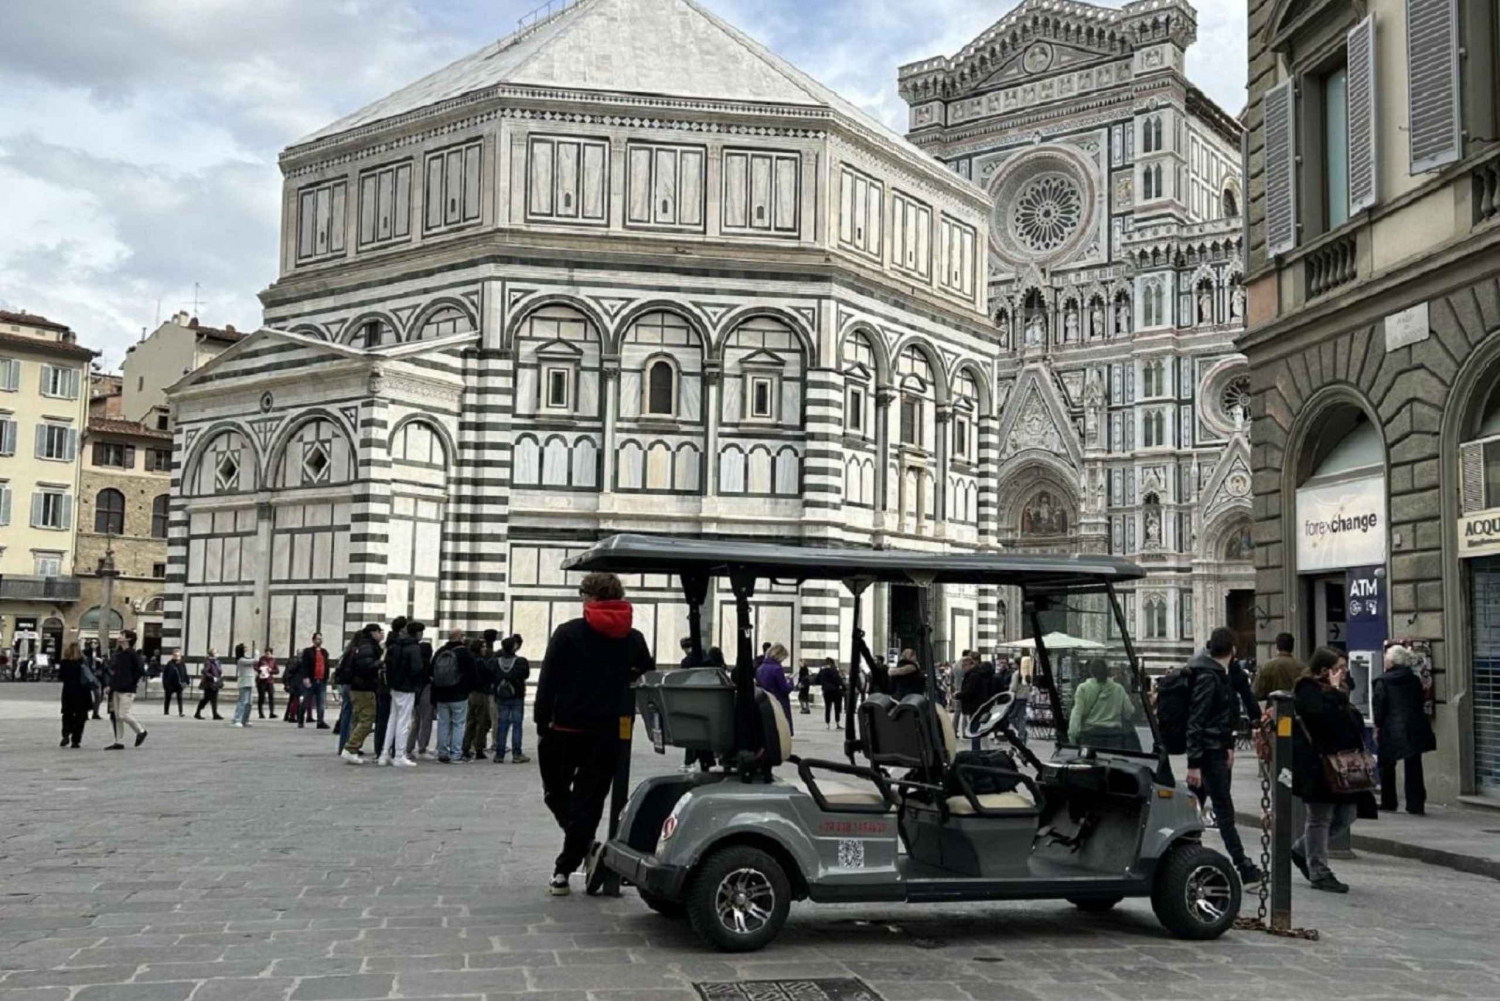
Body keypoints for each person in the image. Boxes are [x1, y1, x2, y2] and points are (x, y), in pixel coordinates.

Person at [536, 571, 654, 895]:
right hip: (610, 733)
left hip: (565, 729)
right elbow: (646, 677)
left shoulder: (568, 633)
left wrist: (540, 720)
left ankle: (570, 862)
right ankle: (572, 860)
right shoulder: (634, 638)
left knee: (555, 792)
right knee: (589, 801)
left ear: (590, 597)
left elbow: (548, 681)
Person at [1185, 627, 1263, 888]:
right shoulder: (1209, 676)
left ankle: (1187, 860)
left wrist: (1229, 742)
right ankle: (1244, 868)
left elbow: (1227, 712)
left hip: (1216, 748)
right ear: (1233, 649)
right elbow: (1197, 720)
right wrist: (1193, 764)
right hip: (1209, 753)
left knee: (1194, 811)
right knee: (1223, 811)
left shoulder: (1224, 672)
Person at [1291, 647, 1365, 893]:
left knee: (1346, 815)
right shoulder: (1306, 689)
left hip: (1343, 765)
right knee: (1320, 818)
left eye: (1344, 668)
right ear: (1324, 670)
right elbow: (1321, 717)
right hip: (1319, 765)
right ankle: (1319, 871)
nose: (1343, 673)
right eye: (1338, 668)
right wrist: (1334, 691)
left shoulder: (1340, 690)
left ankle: (1302, 849)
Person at [1374, 644, 1435, 816]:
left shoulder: (1383, 680)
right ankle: (1415, 804)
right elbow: (1418, 700)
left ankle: (1389, 801)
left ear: (1392, 661)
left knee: (1386, 764)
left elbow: (1379, 706)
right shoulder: (1414, 679)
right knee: (1414, 765)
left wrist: (1378, 726)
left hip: (1391, 727)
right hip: (1414, 725)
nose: (1384, 660)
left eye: (1386, 657)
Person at [368, 620, 424, 767]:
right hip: (407, 687)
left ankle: (384, 754)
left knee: (393, 720)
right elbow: (417, 669)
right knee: (403, 722)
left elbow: (387, 664)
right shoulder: (414, 648)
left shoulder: (395, 645)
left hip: (394, 686)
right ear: (417, 633)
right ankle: (399, 755)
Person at [339, 624, 386, 764]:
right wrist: (381, 662)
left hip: (357, 687)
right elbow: (366, 667)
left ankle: (351, 749)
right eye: (379, 632)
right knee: (367, 719)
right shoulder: (368, 647)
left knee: (358, 718)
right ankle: (350, 748)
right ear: (373, 633)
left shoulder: (361, 645)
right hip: (364, 688)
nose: (381, 634)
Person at [429, 628, 477, 764]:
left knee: (443, 723)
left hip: (441, 694)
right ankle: (456, 754)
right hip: (459, 694)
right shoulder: (464, 653)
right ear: (460, 637)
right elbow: (473, 674)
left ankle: (442, 752)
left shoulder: (440, 652)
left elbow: (431, 671)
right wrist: (469, 688)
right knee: (458, 724)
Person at [1068, 658, 1138, 750]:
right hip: (1114, 737)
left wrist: (1072, 737)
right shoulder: (1118, 689)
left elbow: (1076, 714)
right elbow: (1129, 712)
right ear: (1106, 671)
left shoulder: (1083, 689)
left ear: (1091, 672)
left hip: (1090, 737)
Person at [104, 630, 148, 750]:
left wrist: (131, 682)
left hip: (127, 689)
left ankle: (141, 731)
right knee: (117, 716)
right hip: (117, 689)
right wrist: (110, 686)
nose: (119, 637)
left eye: (121, 635)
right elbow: (116, 673)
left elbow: (140, 670)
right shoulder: (120, 654)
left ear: (128, 639)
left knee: (123, 714)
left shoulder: (133, 654)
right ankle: (119, 741)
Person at [493, 635, 531, 764]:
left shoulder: (496, 661)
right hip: (517, 696)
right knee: (517, 725)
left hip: (501, 696)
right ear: (514, 647)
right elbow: (525, 675)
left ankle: (499, 754)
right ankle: (517, 754)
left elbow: (489, 674)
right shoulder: (521, 662)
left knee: (502, 724)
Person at [372, 616, 405, 755]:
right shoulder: (399, 645)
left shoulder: (384, 645)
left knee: (382, 719)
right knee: (396, 718)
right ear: (403, 629)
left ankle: (380, 749)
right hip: (394, 686)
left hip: (381, 685)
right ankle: (392, 750)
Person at [461, 636, 496, 761]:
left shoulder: (470, 660)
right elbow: (489, 676)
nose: (485, 649)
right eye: (483, 646)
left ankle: (465, 747)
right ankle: (478, 748)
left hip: (470, 694)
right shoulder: (480, 662)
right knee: (483, 721)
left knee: (470, 721)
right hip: (480, 693)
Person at [57, 642, 93, 749]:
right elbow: (90, 674)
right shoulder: (83, 661)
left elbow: (60, 676)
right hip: (82, 691)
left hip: (68, 691)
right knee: (80, 716)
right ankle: (76, 740)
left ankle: (66, 733)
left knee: (67, 714)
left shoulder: (64, 662)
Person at [754, 643, 795, 732]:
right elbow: (784, 688)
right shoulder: (777, 669)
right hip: (779, 700)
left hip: (766, 700)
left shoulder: (761, 668)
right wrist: (790, 682)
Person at [296, 633, 331, 729]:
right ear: (313, 640)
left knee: (321, 702)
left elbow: (326, 665)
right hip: (311, 680)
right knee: (305, 701)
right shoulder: (308, 651)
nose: (319, 641)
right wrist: (305, 677)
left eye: (321, 639)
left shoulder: (324, 652)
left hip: (321, 680)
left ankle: (320, 721)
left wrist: (327, 677)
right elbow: (305, 666)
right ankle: (300, 720)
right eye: (317, 639)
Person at [1254, 633, 1304, 699]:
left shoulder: (1267, 666)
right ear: (1292, 647)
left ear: (1277, 647)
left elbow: (1257, 692)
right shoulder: (1302, 667)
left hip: (1273, 707)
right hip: (1296, 707)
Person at [230, 644, 256, 727]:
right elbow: (255, 660)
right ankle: (237, 719)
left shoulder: (244, 659)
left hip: (249, 681)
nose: (246, 648)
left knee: (249, 702)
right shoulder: (241, 660)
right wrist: (257, 654)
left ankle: (245, 720)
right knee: (242, 701)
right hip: (244, 682)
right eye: (244, 647)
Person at [817, 657, 846, 729]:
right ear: (832, 663)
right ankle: (837, 723)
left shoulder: (822, 670)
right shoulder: (834, 669)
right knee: (837, 707)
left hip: (826, 691)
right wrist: (844, 687)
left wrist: (823, 685)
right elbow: (838, 680)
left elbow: (817, 679)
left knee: (827, 707)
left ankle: (827, 724)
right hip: (835, 691)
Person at [195, 649, 224, 720]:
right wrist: (212, 677)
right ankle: (197, 713)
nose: (218, 653)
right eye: (216, 652)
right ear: (212, 654)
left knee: (214, 699)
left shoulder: (217, 662)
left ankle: (215, 714)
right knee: (206, 699)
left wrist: (220, 674)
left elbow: (218, 670)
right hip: (209, 684)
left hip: (215, 683)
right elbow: (204, 671)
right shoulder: (208, 662)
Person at [161, 649, 187, 716]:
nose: (177, 657)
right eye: (175, 655)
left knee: (180, 698)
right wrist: (165, 684)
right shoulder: (170, 664)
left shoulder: (182, 664)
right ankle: (166, 711)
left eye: (178, 655)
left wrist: (186, 682)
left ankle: (181, 712)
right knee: (168, 698)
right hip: (170, 684)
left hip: (179, 684)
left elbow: (184, 673)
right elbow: (165, 675)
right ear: (173, 656)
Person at [255, 647, 279, 719]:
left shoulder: (273, 660)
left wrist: (270, 670)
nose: (267, 654)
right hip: (261, 681)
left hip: (269, 681)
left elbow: (277, 671)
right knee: (261, 697)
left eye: (268, 653)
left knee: (271, 696)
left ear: (271, 653)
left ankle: (271, 713)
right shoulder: (261, 659)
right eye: (266, 653)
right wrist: (260, 670)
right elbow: (255, 667)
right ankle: (261, 713)